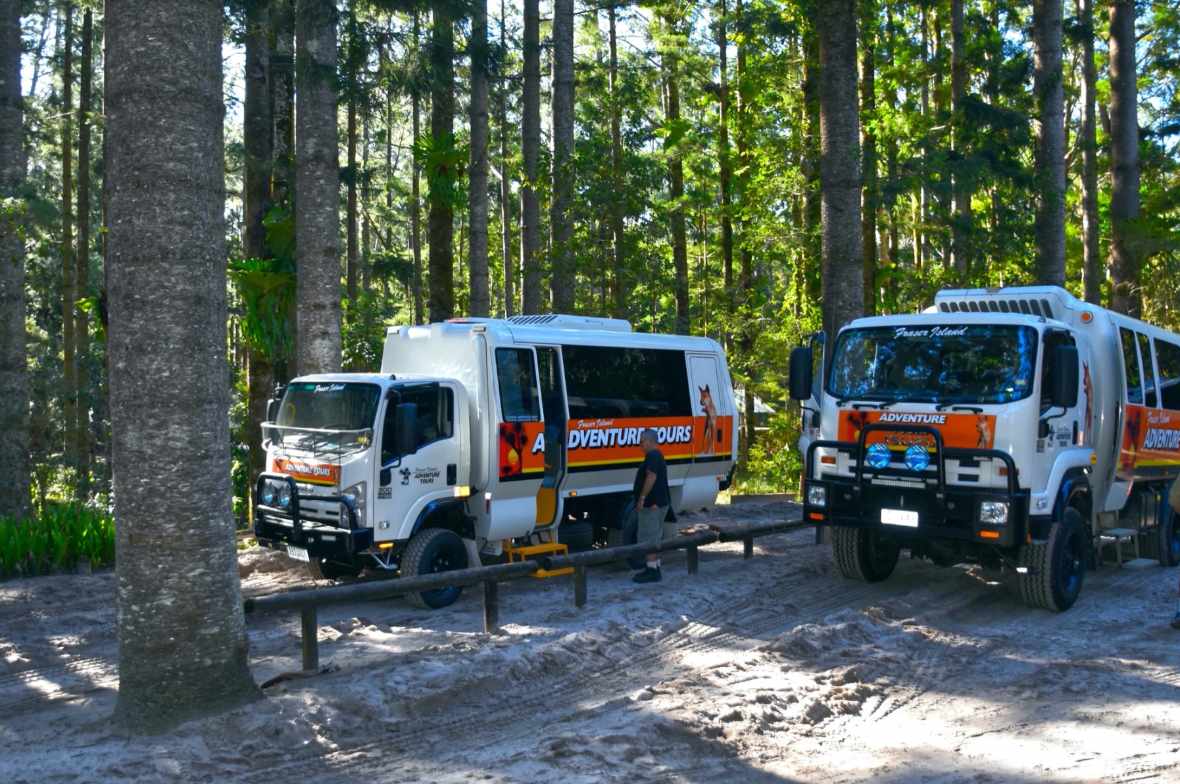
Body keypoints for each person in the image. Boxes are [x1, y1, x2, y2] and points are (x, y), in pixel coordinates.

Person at [632, 429, 670, 584]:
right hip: (658, 504)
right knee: (654, 537)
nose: (640, 445)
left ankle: (652, 571)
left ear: (650, 441)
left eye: (642, 441)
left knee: (648, 538)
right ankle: (655, 567)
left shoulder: (653, 455)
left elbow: (651, 476)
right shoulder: (657, 455)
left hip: (652, 505)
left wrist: (642, 498)